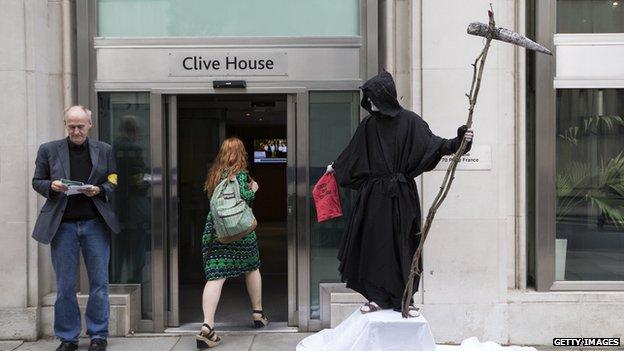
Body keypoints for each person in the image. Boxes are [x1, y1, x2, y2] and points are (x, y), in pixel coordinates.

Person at [328, 72, 474, 316]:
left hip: (401, 196)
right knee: (374, 245)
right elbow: (353, 154)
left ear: (385, 97)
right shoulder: (368, 126)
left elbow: (437, 146)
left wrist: (461, 140)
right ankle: (376, 297)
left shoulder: (411, 122)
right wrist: (336, 167)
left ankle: (405, 297)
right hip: (373, 197)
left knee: (403, 244)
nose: (370, 102)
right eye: (369, 98)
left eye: (374, 97)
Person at [32, 105, 121, 351]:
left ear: (89, 125)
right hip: (62, 226)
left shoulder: (104, 150)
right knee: (65, 286)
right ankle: (68, 338)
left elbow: (113, 178)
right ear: (65, 125)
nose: (76, 131)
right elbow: (37, 181)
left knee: (100, 284)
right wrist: (53, 185)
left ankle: (98, 336)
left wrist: (100, 190)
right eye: (71, 126)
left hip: (95, 224)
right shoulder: (48, 150)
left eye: (80, 126)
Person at [197, 137, 268, 349]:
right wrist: (254, 188)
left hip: (218, 231)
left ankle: (207, 327)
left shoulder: (214, 175)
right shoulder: (241, 175)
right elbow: (246, 198)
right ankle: (257, 314)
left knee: (216, 276)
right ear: (241, 154)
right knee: (252, 267)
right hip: (241, 231)